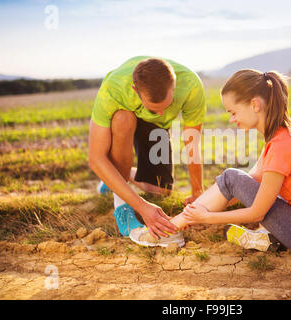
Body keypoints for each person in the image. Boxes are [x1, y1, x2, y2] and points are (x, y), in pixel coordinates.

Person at [130, 69, 291, 254]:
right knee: (233, 179)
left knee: (231, 177)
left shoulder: (281, 145)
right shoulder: (284, 133)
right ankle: (262, 236)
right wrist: (199, 208)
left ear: (254, 105)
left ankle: (167, 231)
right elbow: (247, 183)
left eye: (233, 112)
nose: (232, 119)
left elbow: (256, 210)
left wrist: (205, 217)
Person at [88, 56, 206, 242]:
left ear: (174, 86)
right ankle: (121, 205)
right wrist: (142, 206)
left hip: (157, 128)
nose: (161, 112)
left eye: (166, 106)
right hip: (126, 117)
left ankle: (112, 179)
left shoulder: (191, 86)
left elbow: (192, 143)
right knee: (123, 118)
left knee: (160, 190)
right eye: (155, 109)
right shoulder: (113, 89)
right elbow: (95, 158)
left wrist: (198, 193)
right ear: (135, 91)